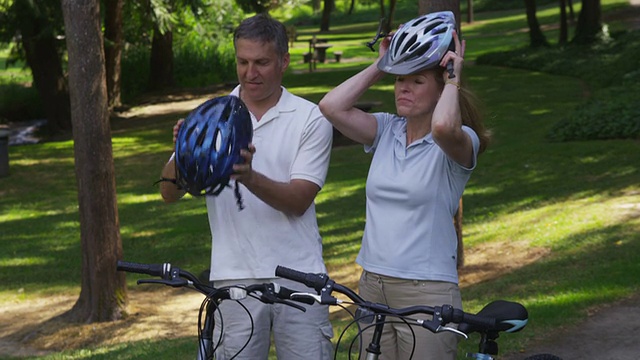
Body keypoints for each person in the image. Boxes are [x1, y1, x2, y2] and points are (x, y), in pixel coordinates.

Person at [159, 14, 334, 360]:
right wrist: (184, 153)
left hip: (300, 278)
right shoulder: (215, 114)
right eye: (243, 62)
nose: (250, 72)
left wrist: (248, 176)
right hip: (233, 278)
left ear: (284, 61)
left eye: (261, 63)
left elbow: (299, 200)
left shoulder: (310, 118)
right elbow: (168, 193)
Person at [318, 11, 490, 360]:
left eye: (416, 80)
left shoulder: (459, 141)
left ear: (441, 86)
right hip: (372, 284)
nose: (403, 88)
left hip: (425, 289)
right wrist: (383, 64)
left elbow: (442, 127)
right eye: (399, 80)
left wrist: (454, 76)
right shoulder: (386, 130)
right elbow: (330, 106)